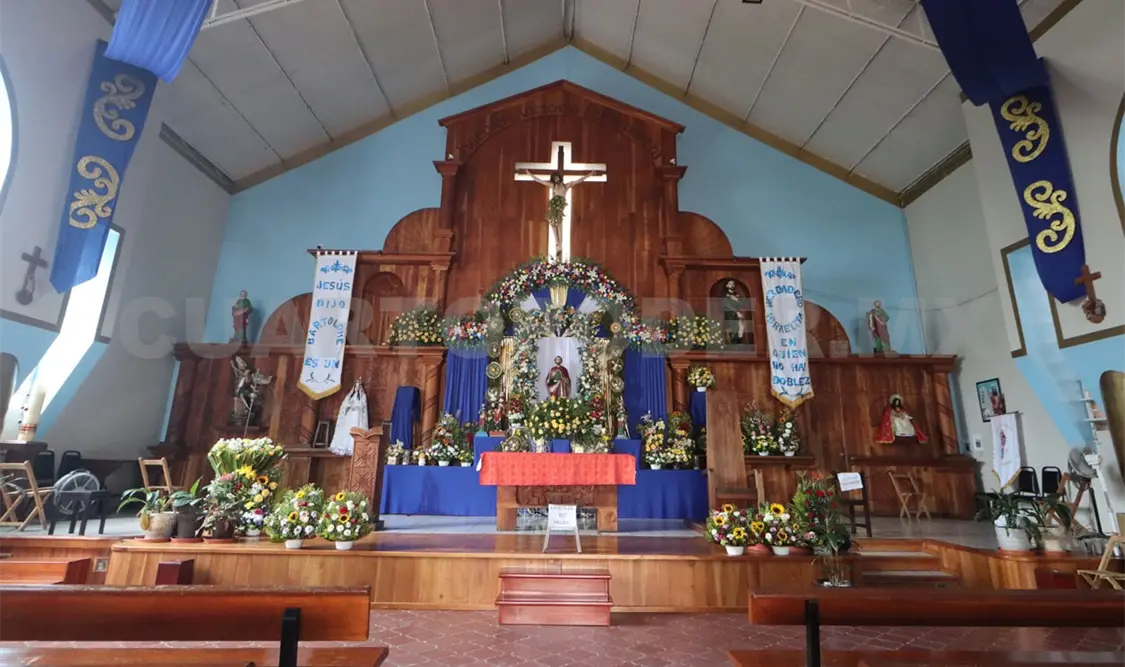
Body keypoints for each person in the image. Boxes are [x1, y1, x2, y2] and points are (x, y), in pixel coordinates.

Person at [522, 169, 601, 262]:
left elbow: (579, 180)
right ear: (553, 180)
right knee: (553, 224)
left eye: (557, 177)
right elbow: (539, 180)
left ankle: (559, 245)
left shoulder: (565, 186)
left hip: (560, 209)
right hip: (553, 208)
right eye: (554, 178)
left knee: (559, 225)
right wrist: (529, 174)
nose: (556, 179)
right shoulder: (553, 186)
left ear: (560, 178)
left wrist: (590, 174)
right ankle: (557, 243)